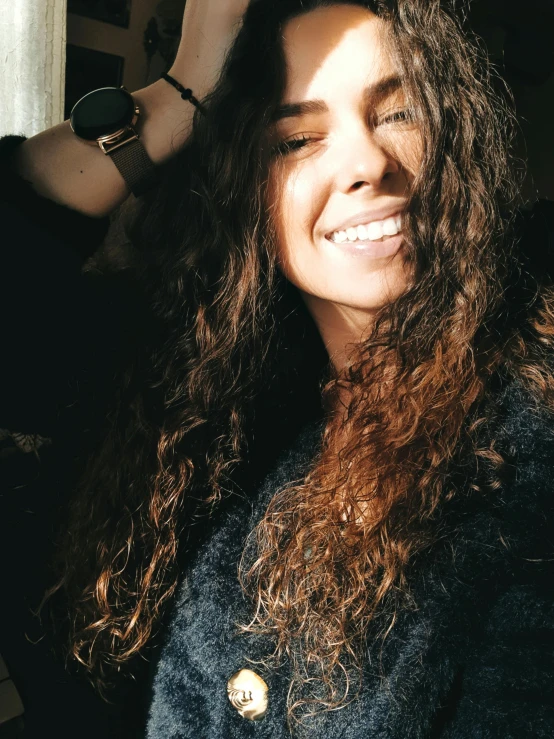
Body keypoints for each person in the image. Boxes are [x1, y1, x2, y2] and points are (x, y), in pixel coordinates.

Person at [1, 0, 554, 737]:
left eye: (398, 113)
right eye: (297, 138)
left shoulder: (527, 448)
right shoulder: (195, 387)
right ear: (237, 187)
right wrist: (180, 96)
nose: (366, 162)